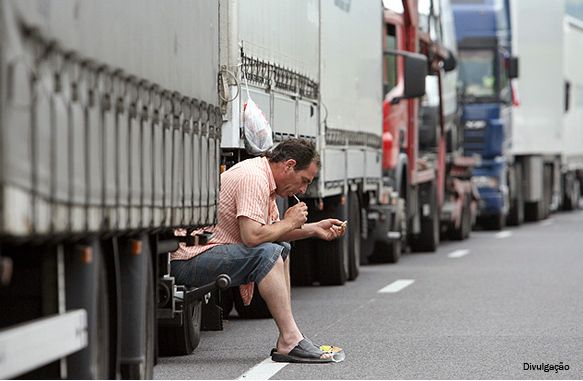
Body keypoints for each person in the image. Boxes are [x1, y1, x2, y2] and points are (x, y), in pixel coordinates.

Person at [171, 138, 346, 363]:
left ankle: (290, 334)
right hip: (187, 259)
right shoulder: (254, 177)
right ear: (289, 165)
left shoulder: (264, 178)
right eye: (304, 181)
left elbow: (273, 233)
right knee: (268, 253)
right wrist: (290, 221)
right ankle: (290, 339)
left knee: (280, 248)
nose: (303, 190)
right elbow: (253, 236)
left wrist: (314, 229)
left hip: (205, 253)